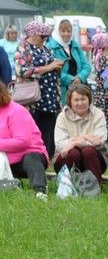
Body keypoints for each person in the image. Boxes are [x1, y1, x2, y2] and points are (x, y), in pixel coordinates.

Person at [15, 20, 65, 157]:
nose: (45, 39)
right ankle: (32, 157)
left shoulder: (45, 48)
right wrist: (49, 67)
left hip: (49, 96)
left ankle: (46, 157)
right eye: (43, 36)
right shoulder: (23, 47)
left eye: (46, 37)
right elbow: (23, 71)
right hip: (32, 97)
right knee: (33, 127)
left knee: (48, 127)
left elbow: (49, 66)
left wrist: (57, 66)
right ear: (33, 34)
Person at [53, 83, 108, 187]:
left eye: (83, 99)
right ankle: (68, 188)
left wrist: (75, 142)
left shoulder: (98, 114)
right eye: (76, 100)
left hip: (94, 160)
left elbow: (99, 141)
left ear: (89, 100)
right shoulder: (62, 116)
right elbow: (60, 144)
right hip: (67, 159)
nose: (80, 103)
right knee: (72, 153)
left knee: (88, 150)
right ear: (70, 102)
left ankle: (95, 189)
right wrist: (86, 139)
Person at [0, 81, 48, 198]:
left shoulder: (17, 110)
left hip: (26, 157)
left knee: (31, 158)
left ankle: (39, 190)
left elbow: (22, 141)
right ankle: (12, 184)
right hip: (4, 160)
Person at [48, 19, 91, 105]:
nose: (66, 34)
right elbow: (52, 70)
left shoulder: (75, 45)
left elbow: (86, 66)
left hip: (80, 87)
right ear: (57, 31)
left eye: (69, 31)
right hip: (62, 90)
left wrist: (79, 77)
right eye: (63, 31)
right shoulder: (50, 47)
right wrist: (71, 79)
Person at [90, 31, 108, 132]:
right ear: (106, 45)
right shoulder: (106, 58)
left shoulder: (100, 57)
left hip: (101, 93)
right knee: (106, 117)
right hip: (106, 94)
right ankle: (107, 136)